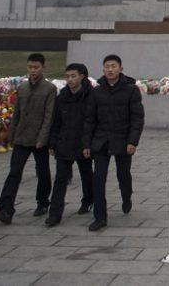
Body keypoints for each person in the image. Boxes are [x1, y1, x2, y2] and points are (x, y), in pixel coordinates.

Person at [83, 54, 145, 231]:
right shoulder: (97, 91)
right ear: (103, 70)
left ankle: (126, 197)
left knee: (123, 175)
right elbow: (89, 120)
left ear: (121, 68)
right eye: (107, 67)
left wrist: (133, 141)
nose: (110, 70)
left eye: (113, 66)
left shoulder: (131, 90)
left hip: (123, 140)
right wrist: (87, 144)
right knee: (98, 178)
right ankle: (100, 217)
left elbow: (137, 118)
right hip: (101, 141)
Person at [0, 53, 57, 224]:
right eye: (30, 67)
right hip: (21, 138)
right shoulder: (22, 88)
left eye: (36, 67)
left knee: (43, 172)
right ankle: (5, 209)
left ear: (43, 68)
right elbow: (17, 114)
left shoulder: (49, 89)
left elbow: (49, 116)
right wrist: (11, 135)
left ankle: (43, 202)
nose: (33, 70)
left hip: (39, 139)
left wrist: (42, 138)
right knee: (14, 173)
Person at [45, 63, 95, 227]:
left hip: (83, 144)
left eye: (73, 76)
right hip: (64, 144)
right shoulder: (62, 97)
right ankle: (54, 214)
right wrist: (52, 143)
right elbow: (56, 122)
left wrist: (89, 143)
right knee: (60, 179)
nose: (70, 79)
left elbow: (92, 121)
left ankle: (88, 200)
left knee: (86, 175)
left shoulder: (91, 96)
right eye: (67, 76)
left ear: (82, 76)